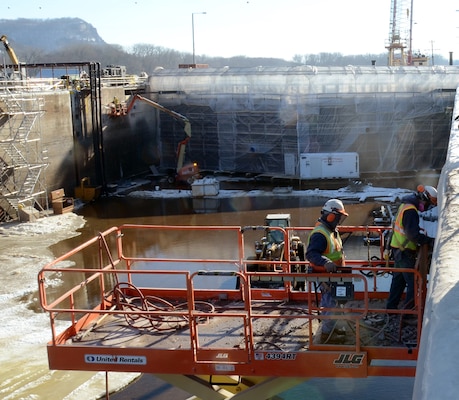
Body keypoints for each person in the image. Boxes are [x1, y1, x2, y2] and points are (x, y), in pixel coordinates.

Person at [386, 185, 437, 312]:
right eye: (427, 203)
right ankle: (409, 312)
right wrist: (429, 241)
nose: (426, 207)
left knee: (399, 281)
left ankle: (391, 309)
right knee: (413, 283)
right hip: (405, 251)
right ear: (423, 198)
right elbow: (412, 234)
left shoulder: (405, 206)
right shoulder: (411, 210)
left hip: (398, 249)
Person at [306, 198, 349, 344]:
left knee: (337, 303)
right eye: (338, 217)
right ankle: (326, 335)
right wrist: (326, 262)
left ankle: (332, 328)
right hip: (325, 276)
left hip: (335, 275)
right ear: (330, 215)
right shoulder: (320, 234)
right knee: (330, 304)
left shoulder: (331, 231)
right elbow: (311, 254)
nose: (339, 221)